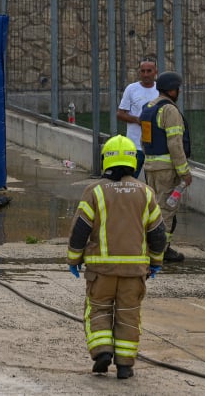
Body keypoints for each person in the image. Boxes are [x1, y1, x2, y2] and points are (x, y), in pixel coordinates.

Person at [67, 135, 166, 380]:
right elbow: (158, 233)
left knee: (98, 309)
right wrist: (156, 261)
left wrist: (73, 259)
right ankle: (125, 365)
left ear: (105, 161)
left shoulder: (95, 191)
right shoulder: (146, 193)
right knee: (129, 315)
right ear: (134, 162)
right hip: (134, 272)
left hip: (101, 271)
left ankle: (102, 351)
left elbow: (80, 229)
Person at [139, 71, 192, 263]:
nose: (179, 91)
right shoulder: (169, 110)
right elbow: (175, 144)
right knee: (166, 211)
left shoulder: (148, 108)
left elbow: (144, 140)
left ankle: (151, 245)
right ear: (171, 90)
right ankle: (161, 250)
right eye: (177, 88)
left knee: (152, 208)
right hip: (167, 169)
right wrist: (184, 171)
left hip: (151, 166)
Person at [117, 56, 159, 178]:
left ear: (155, 72)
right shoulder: (131, 89)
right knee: (128, 180)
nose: (145, 74)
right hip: (134, 146)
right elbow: (120, 113)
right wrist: (137, 120)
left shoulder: (160, 90)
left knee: (153, 183)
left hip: (154, 148)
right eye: (142, 71)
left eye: (149, 71)